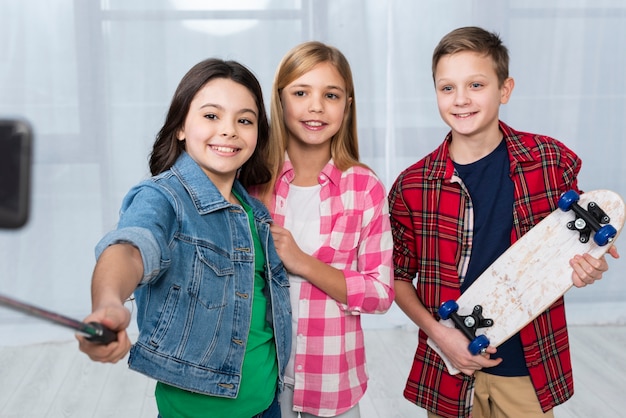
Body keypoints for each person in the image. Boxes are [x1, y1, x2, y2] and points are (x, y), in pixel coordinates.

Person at [388, 26, 619, 418]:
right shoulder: (413, 187)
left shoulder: (549, 161)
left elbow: (575, 245)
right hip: (453, 364)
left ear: (505, 90)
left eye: (476, 85)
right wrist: (441, 335)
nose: (461, 99)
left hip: (529, 364)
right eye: (447, 88)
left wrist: (587, 267)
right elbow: (397, 279)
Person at [77, 58, 291, 418]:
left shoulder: (255, 212)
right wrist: (109, 303)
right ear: (179, 127)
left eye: (245, 120)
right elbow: (130, 248)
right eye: (211, 116)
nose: (229, 130)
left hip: (269, 404)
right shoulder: (162, 198)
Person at [253, 41, 394, 417]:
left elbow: (380, 293)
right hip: (261, 381)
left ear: (347, 105)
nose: (316, 106)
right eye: (301, 93)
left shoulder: (364, 188)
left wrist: (303, 262)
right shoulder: (254, 185)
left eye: (330, 95)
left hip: (332, 383)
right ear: (280, 100)